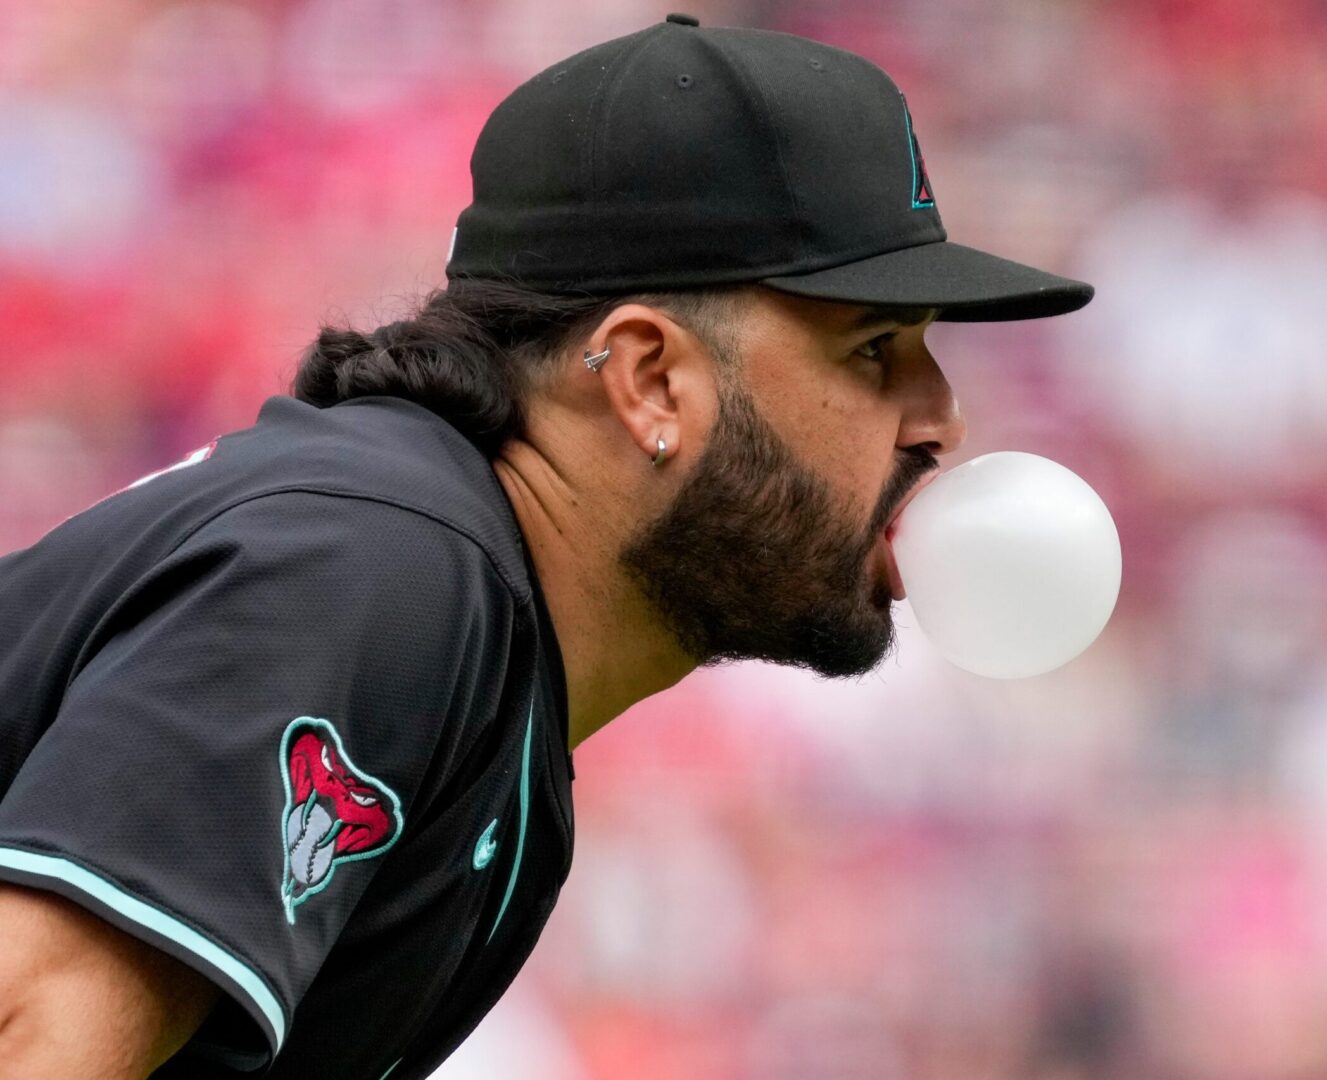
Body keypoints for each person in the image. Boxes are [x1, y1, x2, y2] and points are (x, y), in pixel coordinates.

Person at [0, 14, 1092, 1079]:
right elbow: (28, 1027)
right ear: (648, 380)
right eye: (873, 349)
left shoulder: (482, 665)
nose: (940, 416)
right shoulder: (381, 572)